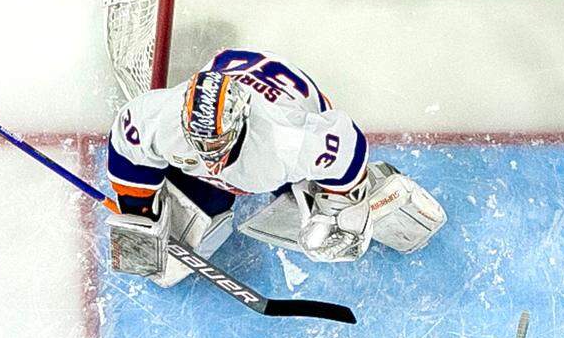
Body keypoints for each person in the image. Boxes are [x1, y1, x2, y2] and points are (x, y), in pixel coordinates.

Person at [106, 47, 445, 286]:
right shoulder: (157, 118)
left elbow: (348, 145)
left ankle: (387, 194)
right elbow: (127, 150)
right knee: (167, 253)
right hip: (237, 86)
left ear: (241, 121)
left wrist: (345, 206)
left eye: (213, 145)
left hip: (292, 123)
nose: (207, 155)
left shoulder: (287, 141)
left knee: (328, 231)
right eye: (198, 142)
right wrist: (139, 210)